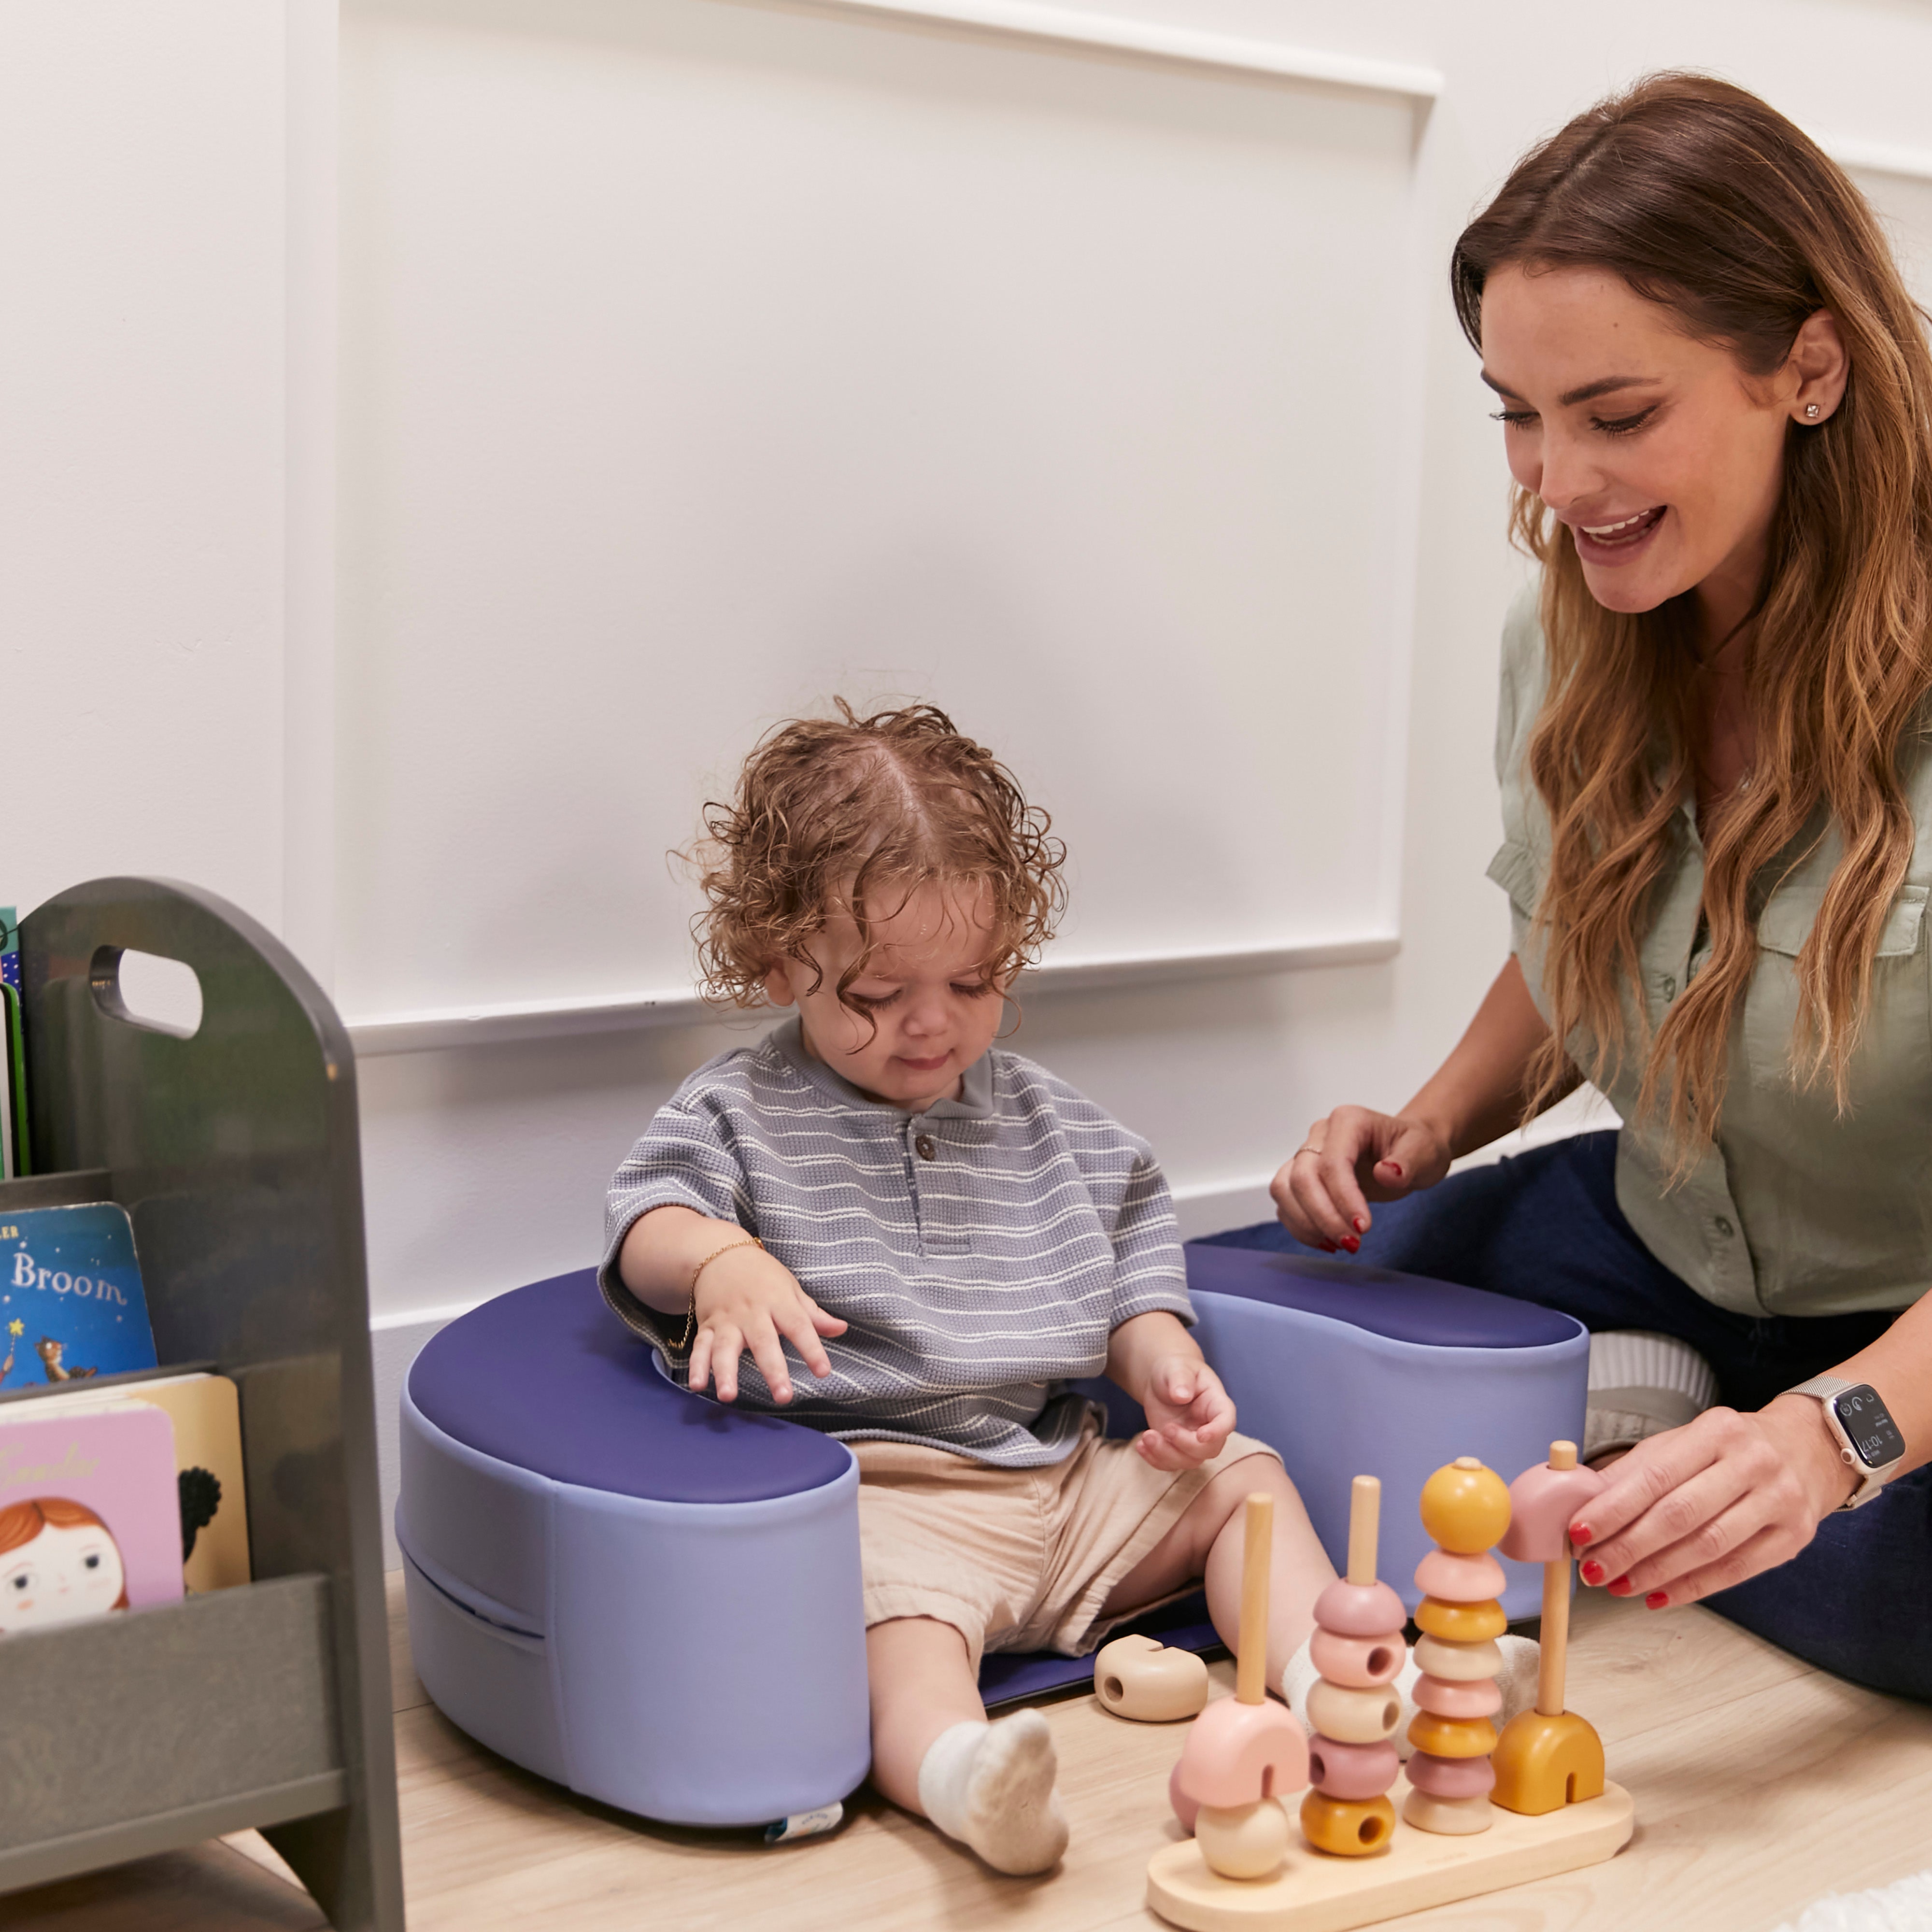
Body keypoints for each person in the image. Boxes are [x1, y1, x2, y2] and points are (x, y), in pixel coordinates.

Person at [1251, 72, 1932, 1703]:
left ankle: (1670, 1440)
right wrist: (1428, 1124)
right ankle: (1659, 1422)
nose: (1556, 482)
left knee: (1895, 1606)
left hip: (1904, 1323)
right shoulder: (1560, 639)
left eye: (1616, 417)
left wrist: (1832, 1441)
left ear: (1809, 368)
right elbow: (1582, 941)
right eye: (1517, 411)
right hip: (1663, 1228)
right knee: (1256, 1326)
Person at [598, 702, 1332, 1875]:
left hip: (1057, 1471)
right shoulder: (736, 1113)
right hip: (884, 1491)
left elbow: (1134, 1249)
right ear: (785, 958)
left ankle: (1328, 1684)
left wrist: (1159, 1361)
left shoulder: (1050, 1122)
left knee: (1243, 1485)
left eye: (974, 978)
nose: (933, 1021)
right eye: (880, 992)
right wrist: (721, 1260)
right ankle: (961, 1775)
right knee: (898, 1631)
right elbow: (648, 1219)